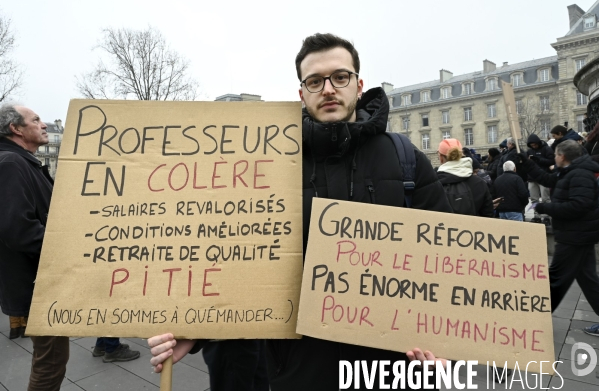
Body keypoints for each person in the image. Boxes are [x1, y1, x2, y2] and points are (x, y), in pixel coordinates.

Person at [148, 33, 452, 390]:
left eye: (340, 77)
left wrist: (447, 342)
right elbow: (235, 257)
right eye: (314, 81)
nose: (328, 89)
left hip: (392, 363)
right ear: (301, 92)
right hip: (299, 366)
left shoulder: (404, 156)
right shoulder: (267, 164)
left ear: (359, 84)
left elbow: (445, 258)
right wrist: (198, 329)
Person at [0, 104, 69, 391]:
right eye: (36, 120)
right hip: (38, 285)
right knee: (50, 364)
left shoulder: (21, 162)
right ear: (16, 128)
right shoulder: (12, 164)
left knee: (51, 359)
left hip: (39, 282)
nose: (43, 126)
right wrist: (69, 247)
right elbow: (18, 230)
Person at [517, 140, 599, 334]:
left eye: (555, 155)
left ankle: (536, 318)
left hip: (575, 236)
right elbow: (547, 179)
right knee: (589, 281)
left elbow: (580, 205)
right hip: (578, 235)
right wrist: (527, 163)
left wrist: (545, 207)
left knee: (555, 279)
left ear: (562, 156)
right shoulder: (571, 171)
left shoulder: (580, 174)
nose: (554, 158)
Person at [436, 138, 493, 217]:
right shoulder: (479, 183)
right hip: (474, 228)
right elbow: (488, 214)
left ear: (441, 158)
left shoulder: (434, 185)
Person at [526, 134, 554, 224]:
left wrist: (538, 159)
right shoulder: (529, 151)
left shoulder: (546, 149)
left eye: (535, 144)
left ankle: (547, 216)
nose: (533, 146)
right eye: (532, 145)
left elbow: (551, 161)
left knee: (545, 198)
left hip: (543, 176)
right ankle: (536, 215)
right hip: (532, 178)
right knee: (534, 199)